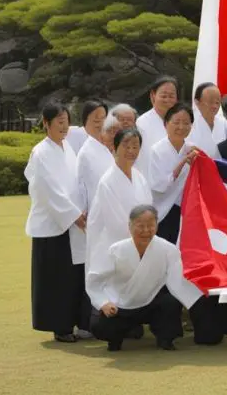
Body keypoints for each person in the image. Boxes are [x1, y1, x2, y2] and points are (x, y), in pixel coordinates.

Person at [86, 205, 213, 351]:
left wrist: (197, 295)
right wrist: (104, 303)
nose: (146, 231)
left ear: (157, 226)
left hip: (149, 302)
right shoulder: (116, 250)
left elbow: (177, 281)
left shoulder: (168, 250)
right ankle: (115, 340)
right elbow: (95, 280)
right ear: (130, 226)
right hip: (119, 304)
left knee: (170, 302)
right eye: (140, 226)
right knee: (100, 325)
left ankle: (165, 339)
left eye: (150, 226)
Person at [25, 101, 89, 343]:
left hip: (72, 223)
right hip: (53, 226)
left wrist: (80, 210)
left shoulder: (67, 148)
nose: (64, 127)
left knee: (71, 277)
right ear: (46, 123)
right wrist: (73, 215)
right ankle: (59, 327)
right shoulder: (41, 152)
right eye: (59, 122)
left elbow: (76, 183)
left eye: (66, 122)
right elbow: (46, 189)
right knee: (55, 279)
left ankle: (73, 322)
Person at [86, 129, 153, 277]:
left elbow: (150, 211)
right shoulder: (107, 181)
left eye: (135, 147)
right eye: (126, 146)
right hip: (113, 248)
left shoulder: (139, 177)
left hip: (139, 244)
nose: (131, 151)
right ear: (115, 148)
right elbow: (115, 224)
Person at [147, 103, 198, 243]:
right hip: (164, 211)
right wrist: (182, 163)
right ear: (166, 124)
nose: (181, 127)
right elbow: (158, 185)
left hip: (187, 211)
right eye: (176, 122)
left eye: (186, 123)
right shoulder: (156, 150)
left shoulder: (192, 149)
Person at [76, 114, 121, 263]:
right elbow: (81, 186)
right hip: (96, 217)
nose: (113, 136)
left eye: (116, 132)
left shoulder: (125, 154)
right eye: (109, 131)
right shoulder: (88, 153)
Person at [135, 76, 179, 174]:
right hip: (149, 179)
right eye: (163, 96)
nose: (167, 100)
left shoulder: (181, 122)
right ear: (153, 95)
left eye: (171, 96)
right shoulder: (141, 123)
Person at [189, 82, 226, 159]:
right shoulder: (189, 123)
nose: (215, 106)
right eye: (210, 102)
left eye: (217, 102)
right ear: (197, 102)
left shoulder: (223, 123)